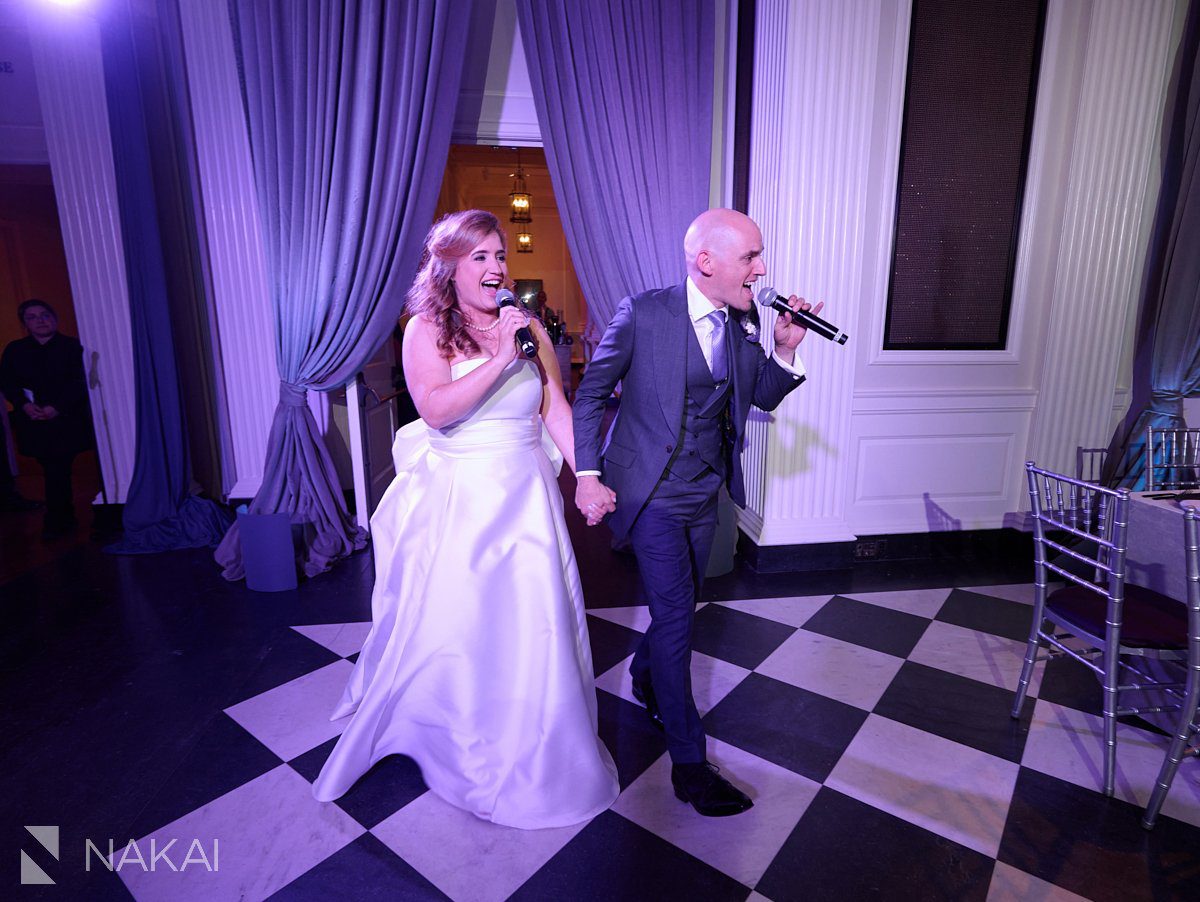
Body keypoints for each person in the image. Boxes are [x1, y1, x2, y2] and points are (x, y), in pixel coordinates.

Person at [312, 210, 619, 828]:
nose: (495, 267)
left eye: (499, 255)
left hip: (526, 496)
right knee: (464, 621)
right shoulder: (425, 329)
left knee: (534, 621)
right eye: (478, 256)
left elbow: (555, 406)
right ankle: (454, 730)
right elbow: (435, 411)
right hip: (464, 500)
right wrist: (500, 358)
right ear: (448, 266)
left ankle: (535, 736)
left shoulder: (527, 325)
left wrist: (586, 476)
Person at [573, 208, 822, 817]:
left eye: (759, 257)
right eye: (751, 257)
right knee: (680, 618)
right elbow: (590, 394)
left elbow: (759, 394)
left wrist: (784, 351)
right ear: (705, 261)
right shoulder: (643, 313)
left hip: (706, 489)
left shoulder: (743, 322)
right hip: (650, 491)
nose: (762, 270)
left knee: (682, 604)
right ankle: (689, 765)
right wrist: (586, 474)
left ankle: (642, 671)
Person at [0, 299, 94, 538]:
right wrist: (24, 405)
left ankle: (59, 519)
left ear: (54, 317)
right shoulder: (15, 350)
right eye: (32, 317)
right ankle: (62, 518)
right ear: (25, 324)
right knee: (52, 468)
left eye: (44, 314)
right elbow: (8, 382)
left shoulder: (73, 347)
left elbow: (80, 381)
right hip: (33, 420)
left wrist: (57, 407)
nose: (40, 320)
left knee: (58, 467)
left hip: (67, 419)